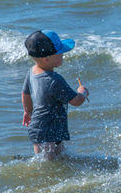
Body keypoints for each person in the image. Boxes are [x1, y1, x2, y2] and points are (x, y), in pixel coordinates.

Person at [21, 30, 89, 161]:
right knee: (49, 164)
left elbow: (25, 93)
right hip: (47, 132)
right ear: (46, 59)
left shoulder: (32, 72)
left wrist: (27, 111)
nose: (62, 54)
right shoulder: (55, 80)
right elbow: (76, 101)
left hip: (41, 129)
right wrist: (83, 92)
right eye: (59, 52)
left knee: (59, 159)